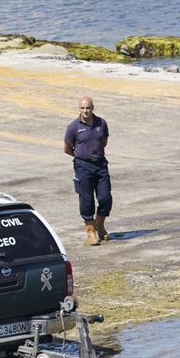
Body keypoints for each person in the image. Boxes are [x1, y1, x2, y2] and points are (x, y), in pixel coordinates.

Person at [63, 96, 112, 246]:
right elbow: (67, 148)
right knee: (86, 200)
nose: (85, 111)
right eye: (83, 108)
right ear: (79, 109)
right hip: (83, 167)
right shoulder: (73, 127)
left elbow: (103, 142)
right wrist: (81, 157)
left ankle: (100, 224)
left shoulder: (101, 123)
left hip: (100, 165)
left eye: (88, 108)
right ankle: (91, 232)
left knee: (105, 198)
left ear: (93, 108)